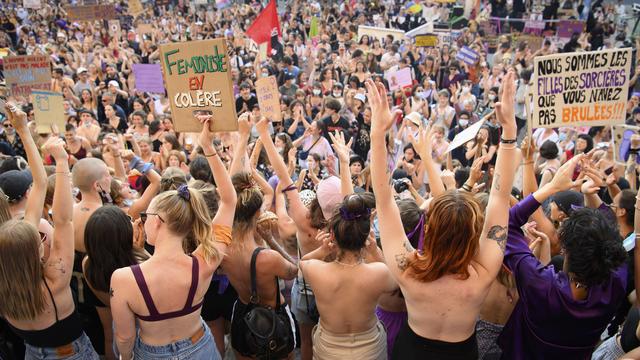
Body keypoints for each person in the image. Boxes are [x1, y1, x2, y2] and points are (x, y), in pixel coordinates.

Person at [366, 69, 519, 359]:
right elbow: (499, 198)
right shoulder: (483, 272)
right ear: (474, 232)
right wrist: (509, 131)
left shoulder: (409, 268)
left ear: (431, 229)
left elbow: (384, 201)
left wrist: (378, 134)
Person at [110, 115, 237, 359]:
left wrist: (126, 356)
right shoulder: (204, 263)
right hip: (200, 348)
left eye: (146, 216)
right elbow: (230, 200)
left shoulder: (123, 279)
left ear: (157, 221)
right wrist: (208, 148)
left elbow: (124, 338)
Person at [498, 155, 628, 357]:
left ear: (565, 249)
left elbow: (506, 223)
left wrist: (551, 188)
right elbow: (614, 241)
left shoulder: (540, 283)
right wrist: (592, 195)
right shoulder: (616, 282)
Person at [0, 131, 99, 358]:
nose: (42, 240)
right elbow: (63, 221)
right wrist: (62, 162)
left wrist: (24, 131)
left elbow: (40, 185)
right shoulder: (54, 282)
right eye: (39, 241)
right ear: (31, 253)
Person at [300, 193, 396, 359]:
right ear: (365, 236)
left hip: (329, 349)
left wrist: (322, 250)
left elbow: (302, 263)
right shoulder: (379, 273)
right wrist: (375, 250)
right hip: (370, 349)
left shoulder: (316, 270)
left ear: (333, 235)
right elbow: (394, 283)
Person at [82, 206, 149, 360]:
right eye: (128, 220)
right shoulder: (137, 268)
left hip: (109, 308)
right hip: (138, 324)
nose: (131, 222)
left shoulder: (87, 263)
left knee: (109, 335)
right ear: (123, 235)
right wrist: (140, 251)